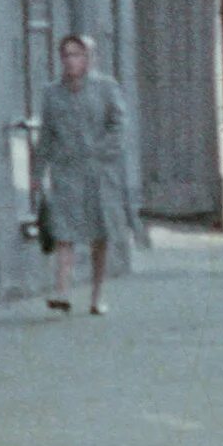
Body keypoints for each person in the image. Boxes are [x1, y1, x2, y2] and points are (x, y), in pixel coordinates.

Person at [35, 33, 131, 316]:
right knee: (63, 231)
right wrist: (38, 170)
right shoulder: (52, 93)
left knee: (98, 235)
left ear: (89, 58)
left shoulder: (106, 88)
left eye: (77, 54)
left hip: (99, 173)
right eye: (65, 54)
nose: (70, 60)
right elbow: (47, 134)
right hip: (66, 171)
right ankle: (62, 292)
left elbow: (119, 125)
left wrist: (102, 151)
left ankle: (96, 296)